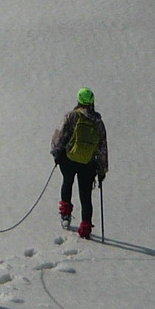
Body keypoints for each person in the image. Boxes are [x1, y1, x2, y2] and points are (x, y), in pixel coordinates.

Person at [52, 87, 108, 240]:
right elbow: (102, 146)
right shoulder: (98, 122)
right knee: (86, 196)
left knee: (67, 182)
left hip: (69, 159)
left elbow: (59, 134)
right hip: (88, 163)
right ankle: (85, 228)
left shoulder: (71, 116)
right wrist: (102, 170)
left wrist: (57, 152)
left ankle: (65, 215)